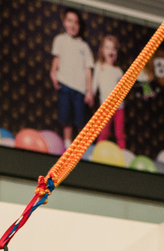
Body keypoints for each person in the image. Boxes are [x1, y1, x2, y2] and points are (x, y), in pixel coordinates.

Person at [50, 8, 94, 148]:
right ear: (64, 22)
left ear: (79, 26)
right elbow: (56, 60)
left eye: (76, 22)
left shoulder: (84, 46)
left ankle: (81, 146)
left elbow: (88, 70)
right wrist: (53, 74)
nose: (73, 25)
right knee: (66, 116)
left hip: (80, 89)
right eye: (70, 21)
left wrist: (88, 91)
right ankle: (67, 143)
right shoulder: (60, 40)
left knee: (81, 119)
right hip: (65, 85)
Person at [92, 34, 127, 149]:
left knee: (120, 134)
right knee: (103, 133)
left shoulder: (118, 71)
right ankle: (98, 152)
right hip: (105, 107)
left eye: (113, 48)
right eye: (107, 48)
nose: (111, 51)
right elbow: (94, 84)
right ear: (102, 51)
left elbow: (122, 89)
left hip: (119, 107)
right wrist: (90, 95)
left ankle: (123, 154)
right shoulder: (99, 66)